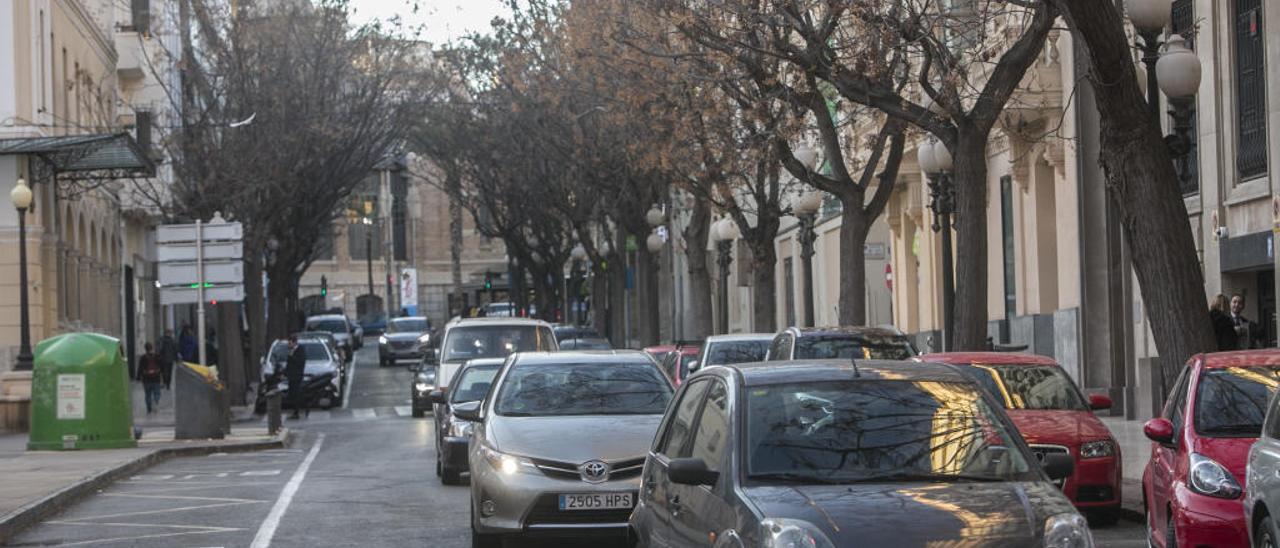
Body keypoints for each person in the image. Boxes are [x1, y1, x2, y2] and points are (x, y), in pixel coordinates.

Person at [136, 343, 165, 414]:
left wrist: (138, 377)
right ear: (152, 348)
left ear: (145, 349)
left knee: (147, 394)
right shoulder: (157, 356)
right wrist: (164, 377)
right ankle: (155, 401)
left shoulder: (143, 358)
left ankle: (149, 408)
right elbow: (162, 367)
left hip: (146, 379)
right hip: (156, 378)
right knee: (157, 393)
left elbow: (140, 368)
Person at [285, 335, 308, 419]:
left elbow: (300, 362)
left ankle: (296, 411)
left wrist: (292, 356)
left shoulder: (300, 350)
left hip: (297, 376)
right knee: (291, 394)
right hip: (291, 376)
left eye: (290, 343)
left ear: (294, 343)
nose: (289, 345)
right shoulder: (290, 351)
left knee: (296, 394)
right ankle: (294, 410)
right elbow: (289, 364)